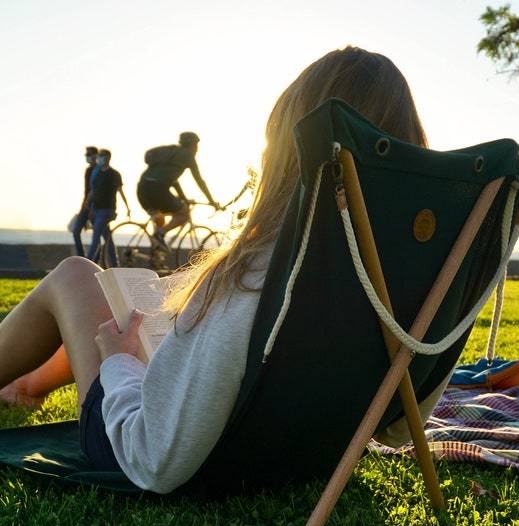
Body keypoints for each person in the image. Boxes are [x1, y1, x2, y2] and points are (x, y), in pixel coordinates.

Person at [0, 46, 428, 494]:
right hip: (305, 452)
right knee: (130, 305)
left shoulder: (263, 271)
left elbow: (154, 459)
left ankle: (28, 377)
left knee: (74, 275)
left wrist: (122, 363)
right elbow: (399, 430)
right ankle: (28, 383)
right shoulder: (407, 267)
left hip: (171, 454)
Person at [137, 132, 217, 251]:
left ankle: (155, 256)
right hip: (157, 190)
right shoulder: (188, 155)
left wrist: (183, 198)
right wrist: (212, 201)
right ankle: (160, 234)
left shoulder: (170, 154)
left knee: (159, 219)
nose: (197, 148)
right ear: (192, 145)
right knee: (184, 213)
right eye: (196, 145)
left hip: (142, 189)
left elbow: (174, 182)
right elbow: (199, 180)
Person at [86, 149, 131, 267]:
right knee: (108, 239)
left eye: (101, 156)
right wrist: (88, 204)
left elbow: (120, 191)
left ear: (107, 157)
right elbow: (93, 191)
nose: (99, 158)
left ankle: (86, 263)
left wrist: (127, 208)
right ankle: (115, 265)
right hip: (96, 210)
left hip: (107, 211)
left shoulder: (114, 174)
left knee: (96, 236)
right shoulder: (97, 173)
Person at [71, 146, 98, 256]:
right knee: (76, 231)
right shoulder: (88, 170)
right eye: (86, 155)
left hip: (95, 207)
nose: (87, 157)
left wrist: (90, 205)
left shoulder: (98, 170)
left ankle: (96, 259)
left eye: (89, 154)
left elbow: (95, 190)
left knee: (99, 235)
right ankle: (82, 257)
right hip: (85, 206)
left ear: (95, 155)